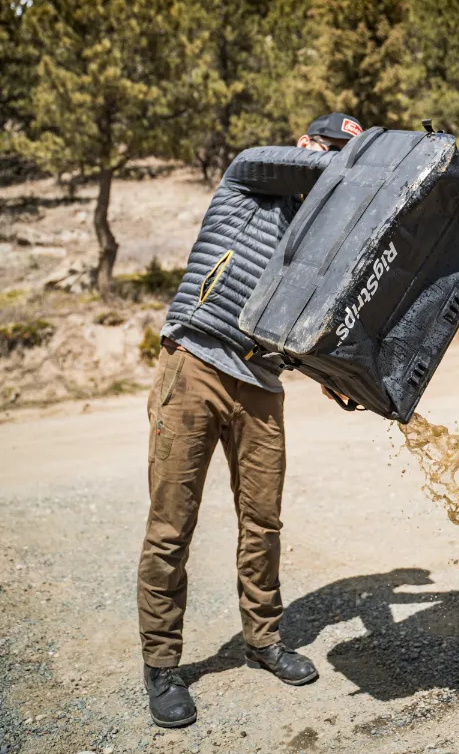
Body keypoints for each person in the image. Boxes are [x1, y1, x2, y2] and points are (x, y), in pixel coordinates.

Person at [137, 112, 364, 728]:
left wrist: (338, 379)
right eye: (331, 148)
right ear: (304, 146)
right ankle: (162, 666)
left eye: (348, 152)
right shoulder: (247, 175)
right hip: (196, 365)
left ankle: (262, 641)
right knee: (171, 525)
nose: (335, 161)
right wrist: (370, 162)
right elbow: (336, 173)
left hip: (262, 383)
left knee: (262, 522)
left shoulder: (326, 238)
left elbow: (313, 329)